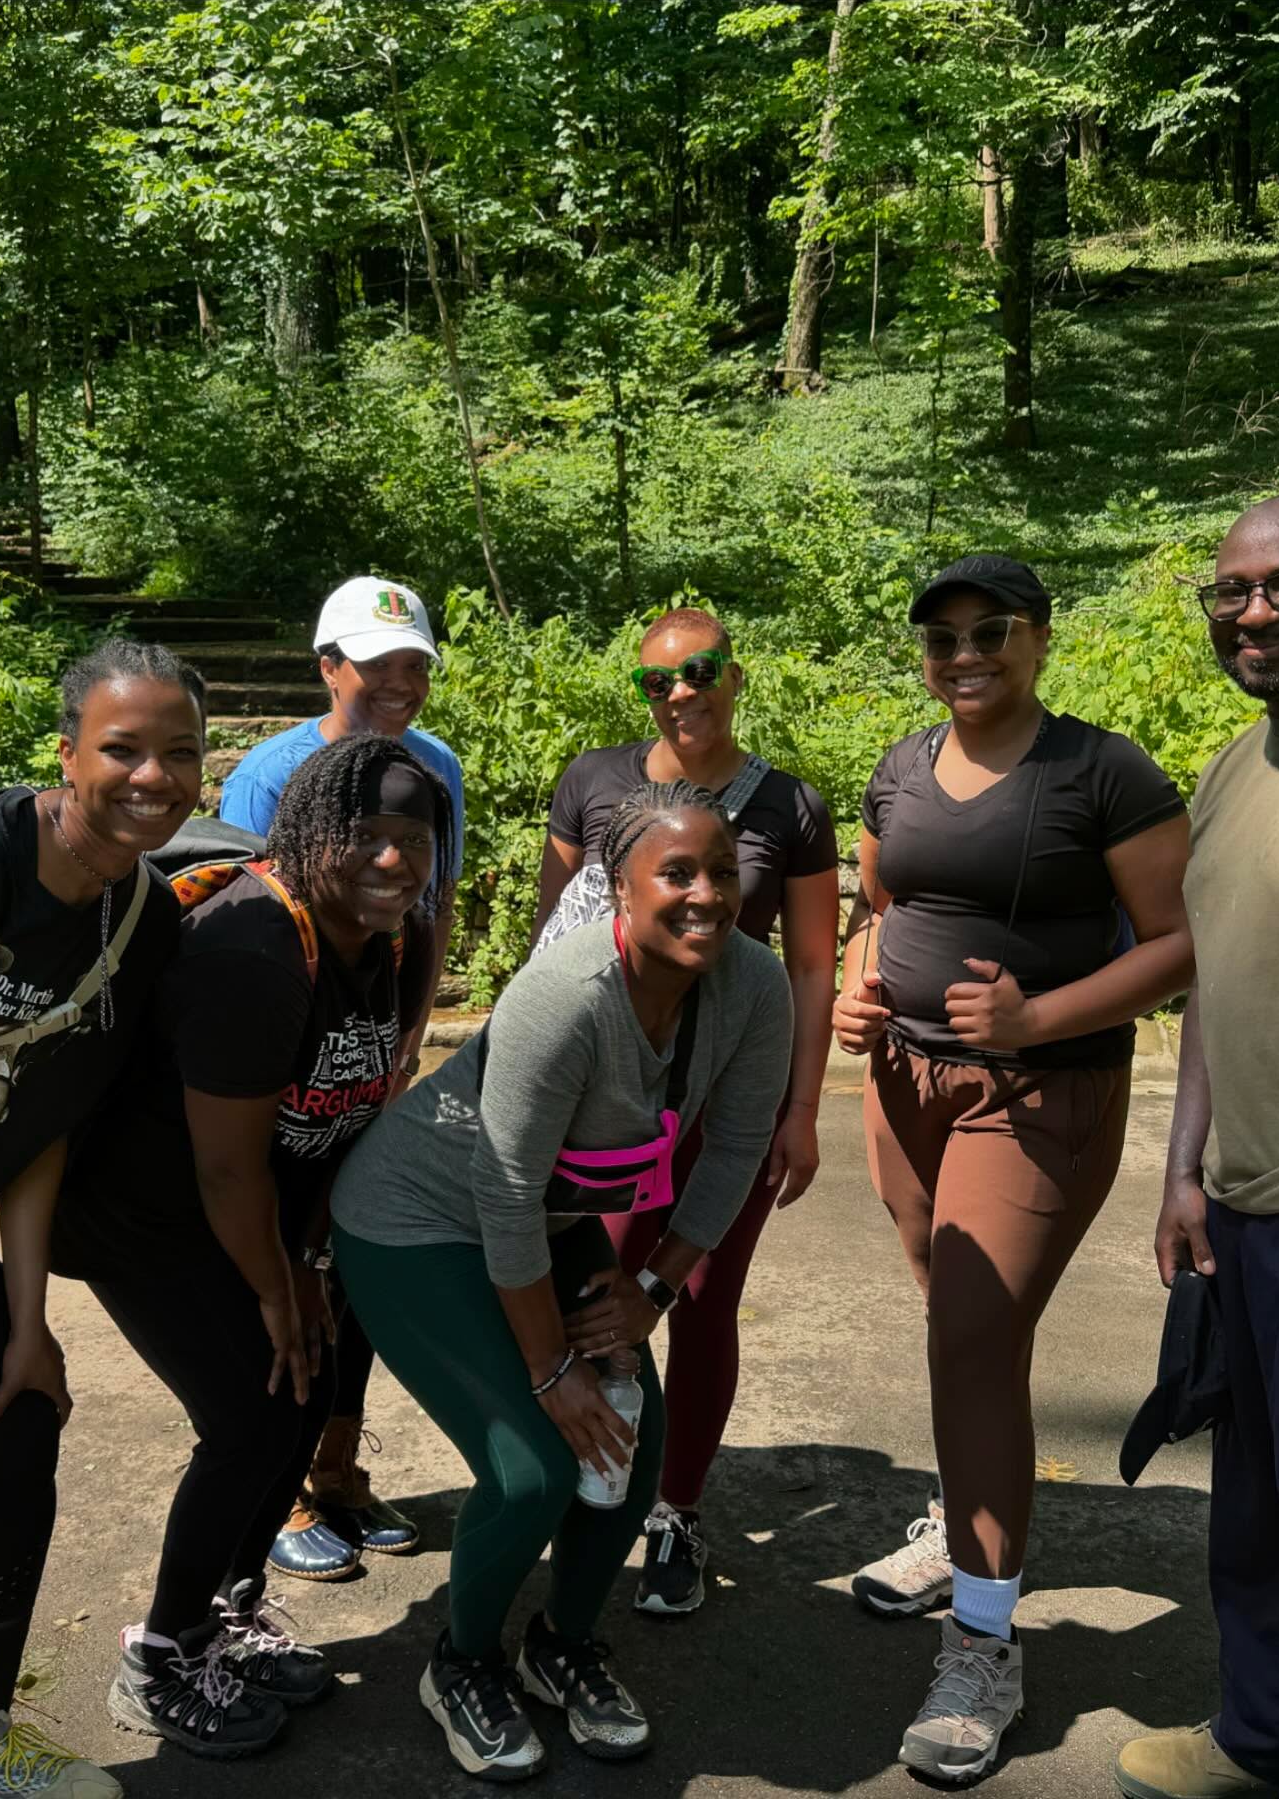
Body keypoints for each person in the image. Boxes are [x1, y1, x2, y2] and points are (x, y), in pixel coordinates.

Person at [331, 781, 794, 1781]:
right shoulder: (566, 997)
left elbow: (741, 1144)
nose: (707, 893)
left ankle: (565, 1643)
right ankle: (459, 1662)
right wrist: (551, 1371)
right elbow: (498, 1191)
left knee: (636, 1437)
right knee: (534, 1467)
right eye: (676, 872)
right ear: (620, 890)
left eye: (722, 870)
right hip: (416, 1223)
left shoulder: (753, 986)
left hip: (548, 1218)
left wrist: (655, 1290)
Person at [833, 554, 1195, 1785]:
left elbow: (1180, 943)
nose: (964, 654)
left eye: (991, 632)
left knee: (975, 1341)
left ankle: (985, 1644)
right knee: (958, 1327)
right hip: (907, 1083)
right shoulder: (900, 761)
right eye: (940, 638)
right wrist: (855, 981)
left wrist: (1036, 1020)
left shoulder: (1103, 770)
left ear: (1039, 639)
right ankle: (962, 1520)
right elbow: (880, 898)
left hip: (1042, 1095)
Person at [52, 735, 453, 1759]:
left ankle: (227, 1609)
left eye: (414, 838)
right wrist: (278, 1292)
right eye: (366, 837)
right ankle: (163, 1656)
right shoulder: (254, 951)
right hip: (141, 1215)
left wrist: (312, 1268)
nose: (394, 861)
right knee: (247, 1412)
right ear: (310, 834)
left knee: (307, 1389)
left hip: (262, 1209)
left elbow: (356, 1114)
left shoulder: (399, 941)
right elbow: (228, 1168)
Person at [0, 637, 206, 1799]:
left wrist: (29, 1323)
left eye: (180, 754)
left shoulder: (140, 922)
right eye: (122, 749)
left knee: (19, 1438)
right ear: (66, 753)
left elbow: (40, 1121)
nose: (153, 777)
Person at [530, 607, 839, 1614]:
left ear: (734, 677)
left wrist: (801, 1106)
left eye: (699, 673)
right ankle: (587, 1481)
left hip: (727, 1098)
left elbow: (809, 966)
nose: (680, 694)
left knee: (701, 1298)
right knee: (597, 1294)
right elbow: (553, 943)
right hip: (606, 1101)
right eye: (657, 681)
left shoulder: (789, 807)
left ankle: (678, 1510)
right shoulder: (593, 782)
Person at [1116, 495, 1279, 1799]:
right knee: (1247, 1512)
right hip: (1243, 1207)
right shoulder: (1241, 765)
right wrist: (1185, 1167)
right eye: (1229, 593)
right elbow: (1213, 988)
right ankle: (1256, 1739)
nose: (1252, 614)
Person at [220, 574, 465, 1573]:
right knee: (275, 1267)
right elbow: (237, 929)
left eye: (415, 666)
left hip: (371, 1061)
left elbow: (431, 908)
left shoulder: (435, 763)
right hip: (281, 1071)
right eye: (377, 665)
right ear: (330, 667)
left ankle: (335, 1470)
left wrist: (405, 1044)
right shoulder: (273, 772)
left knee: (353, 1264)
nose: (399, 684)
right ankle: (272, 1494)